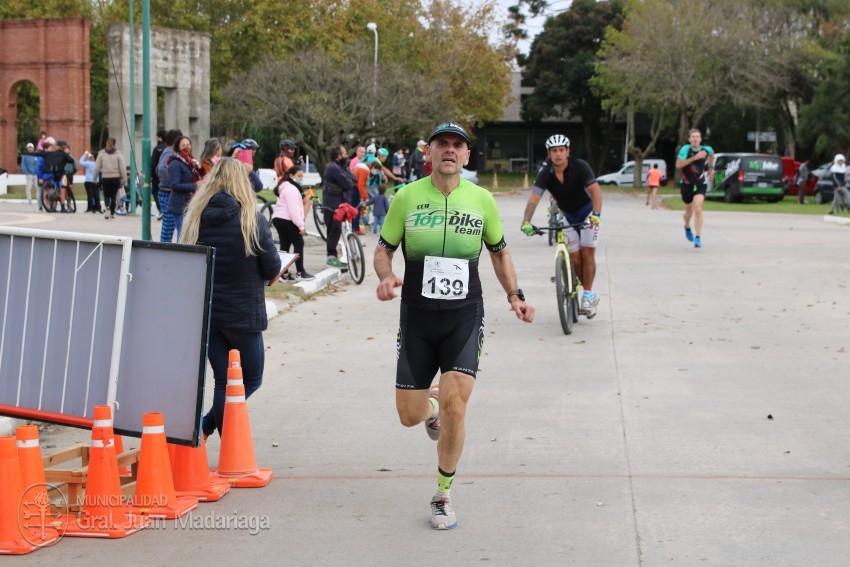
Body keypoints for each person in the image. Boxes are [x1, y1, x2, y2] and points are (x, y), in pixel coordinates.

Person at [374, 120, 535, 530]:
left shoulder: (481, 200)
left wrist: (515, 295)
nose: (449, 150)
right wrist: (385, 276)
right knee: (409, 416)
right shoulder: (407, 197)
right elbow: (383, 249)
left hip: (465, 316)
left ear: (466, 155)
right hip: (417, 318)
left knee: (456, 406)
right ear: (428, 152)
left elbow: (499, 253)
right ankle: (428, 409)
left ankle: (442, 493)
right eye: (441, 144)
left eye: (457, 145)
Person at [179, 157, 282, 438]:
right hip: (243, 314)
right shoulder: (251, 219)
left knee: (224, 381)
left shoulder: (195, 218)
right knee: (250, 379)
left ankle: (210, 430)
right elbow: (272, 267)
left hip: (209, 312)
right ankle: (211, 429)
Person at [520, 134, 604, 318]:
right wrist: (526, 221)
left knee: (587, 254)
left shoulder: (581, 166)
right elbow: (534, 199)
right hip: (568, 216)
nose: (558, 154)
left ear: (568, 152)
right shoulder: (545, 173)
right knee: (575, 259)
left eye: (561, 150)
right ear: (549, 154)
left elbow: (596, 192)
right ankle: (586, 292)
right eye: (554, 151)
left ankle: (588, 294)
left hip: (588, 214)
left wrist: (596, 215)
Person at [272, 165, 314, 281]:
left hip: (279, 219)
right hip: (286, 219)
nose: (301, 178)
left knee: (285, 244)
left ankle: (284, 274)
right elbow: (293, 210)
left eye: (302, 176)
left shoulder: (285, 187)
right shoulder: (292, 189)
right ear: (291, 176)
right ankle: (300, 272)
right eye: (299, 176)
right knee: (299, 243)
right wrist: (301, 226)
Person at [675, 128, 714, 248]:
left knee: (698, 209)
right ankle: (687, 226)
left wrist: (710, 168)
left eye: (697, 137)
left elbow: (712, 155)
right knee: (689, 212)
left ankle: (698, 238)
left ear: (701, 139)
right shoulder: (685, 149)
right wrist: (694, 158)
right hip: (686, 184)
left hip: (700, 184)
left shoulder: (707, 149)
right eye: (693, 137)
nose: (695, 139)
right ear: (689, 139)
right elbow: (678, 165)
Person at [322, 144, 356, 268]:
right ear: (338, 155)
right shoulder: (332, 167)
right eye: (344, 153)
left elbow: (353, 178)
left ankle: (334, 256)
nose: (347, 156)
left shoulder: (340, 166)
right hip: (331, 205)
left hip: (340, 204)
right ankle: (331, 257)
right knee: (333, 230)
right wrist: (349, 180)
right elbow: (348, 183)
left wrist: (350, 179)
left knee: (337, 230)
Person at [166, 136, 203, 236]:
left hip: (190, 204)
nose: (187, 147)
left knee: (189, 234)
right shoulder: (175, 163)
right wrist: (195, 186)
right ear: (178, 148)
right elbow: (175, 185)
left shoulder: (192, 162)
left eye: (188, 144)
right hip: (180, 205)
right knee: (183, 235)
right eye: (183, 145)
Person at [33, 137, 77, 213]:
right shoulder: (64, 154)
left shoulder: (52, 154)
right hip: (62, 174)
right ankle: (63, 207)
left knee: (51, 189)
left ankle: (51, 205)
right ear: (63, 147)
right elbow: (71, 160)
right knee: (62, 190)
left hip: (53, 174)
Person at [157, 129, 183, 240]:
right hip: (166, 192)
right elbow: (162, 169)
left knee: (170, 225)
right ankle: (164, 247)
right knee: (168, 225)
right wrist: (173, 182)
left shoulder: (168, 152)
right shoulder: (170, 153)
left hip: (166, 191)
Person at [93, 137, 127, 219]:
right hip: (116, 178)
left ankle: (107, 208)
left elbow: (97, 167)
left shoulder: (101, 154)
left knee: (106, 195)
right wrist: (124, 179)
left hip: (105, 177)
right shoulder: (118, 154)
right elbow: (122, 168)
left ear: (106, 143)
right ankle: (112, 213)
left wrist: (94, 179)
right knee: (113, 196)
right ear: (115, 144)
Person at [150, 129, 168, 220]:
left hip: (157, 175)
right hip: (169, 175)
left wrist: (151, 175)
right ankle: (166, 210)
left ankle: (161, 210)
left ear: (159, 137)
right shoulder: (169, 148)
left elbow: (153, 163)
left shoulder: (157, 149)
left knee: (156, 191)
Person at [79, 148, 101, 213]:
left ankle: (89, 208)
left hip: (88, 181)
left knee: (90, 195)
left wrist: (85, 155)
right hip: (96, 181)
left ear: (93, 157)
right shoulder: (99, 164)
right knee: (96, 195)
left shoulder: (89, 163)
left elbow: (81, 162)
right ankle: (98, 208)